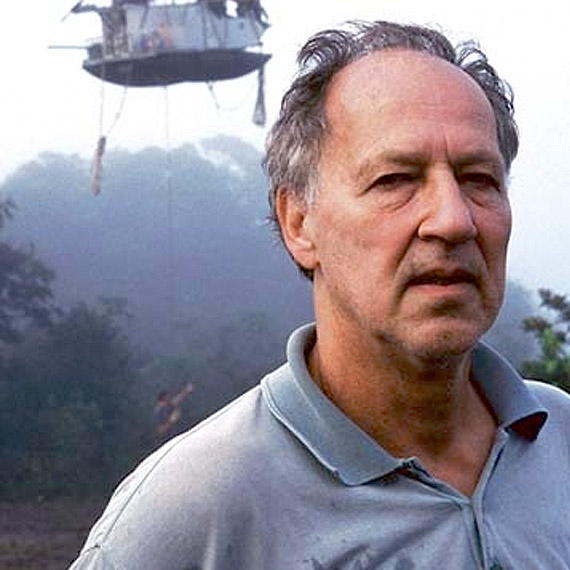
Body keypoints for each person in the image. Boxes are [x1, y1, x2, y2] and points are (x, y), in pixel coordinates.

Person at [68, 20, 570, 569]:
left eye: (480, 179)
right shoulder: (194, 512)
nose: (453, 220)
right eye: (395, 180)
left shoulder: (561, 442)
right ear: (298, 223)